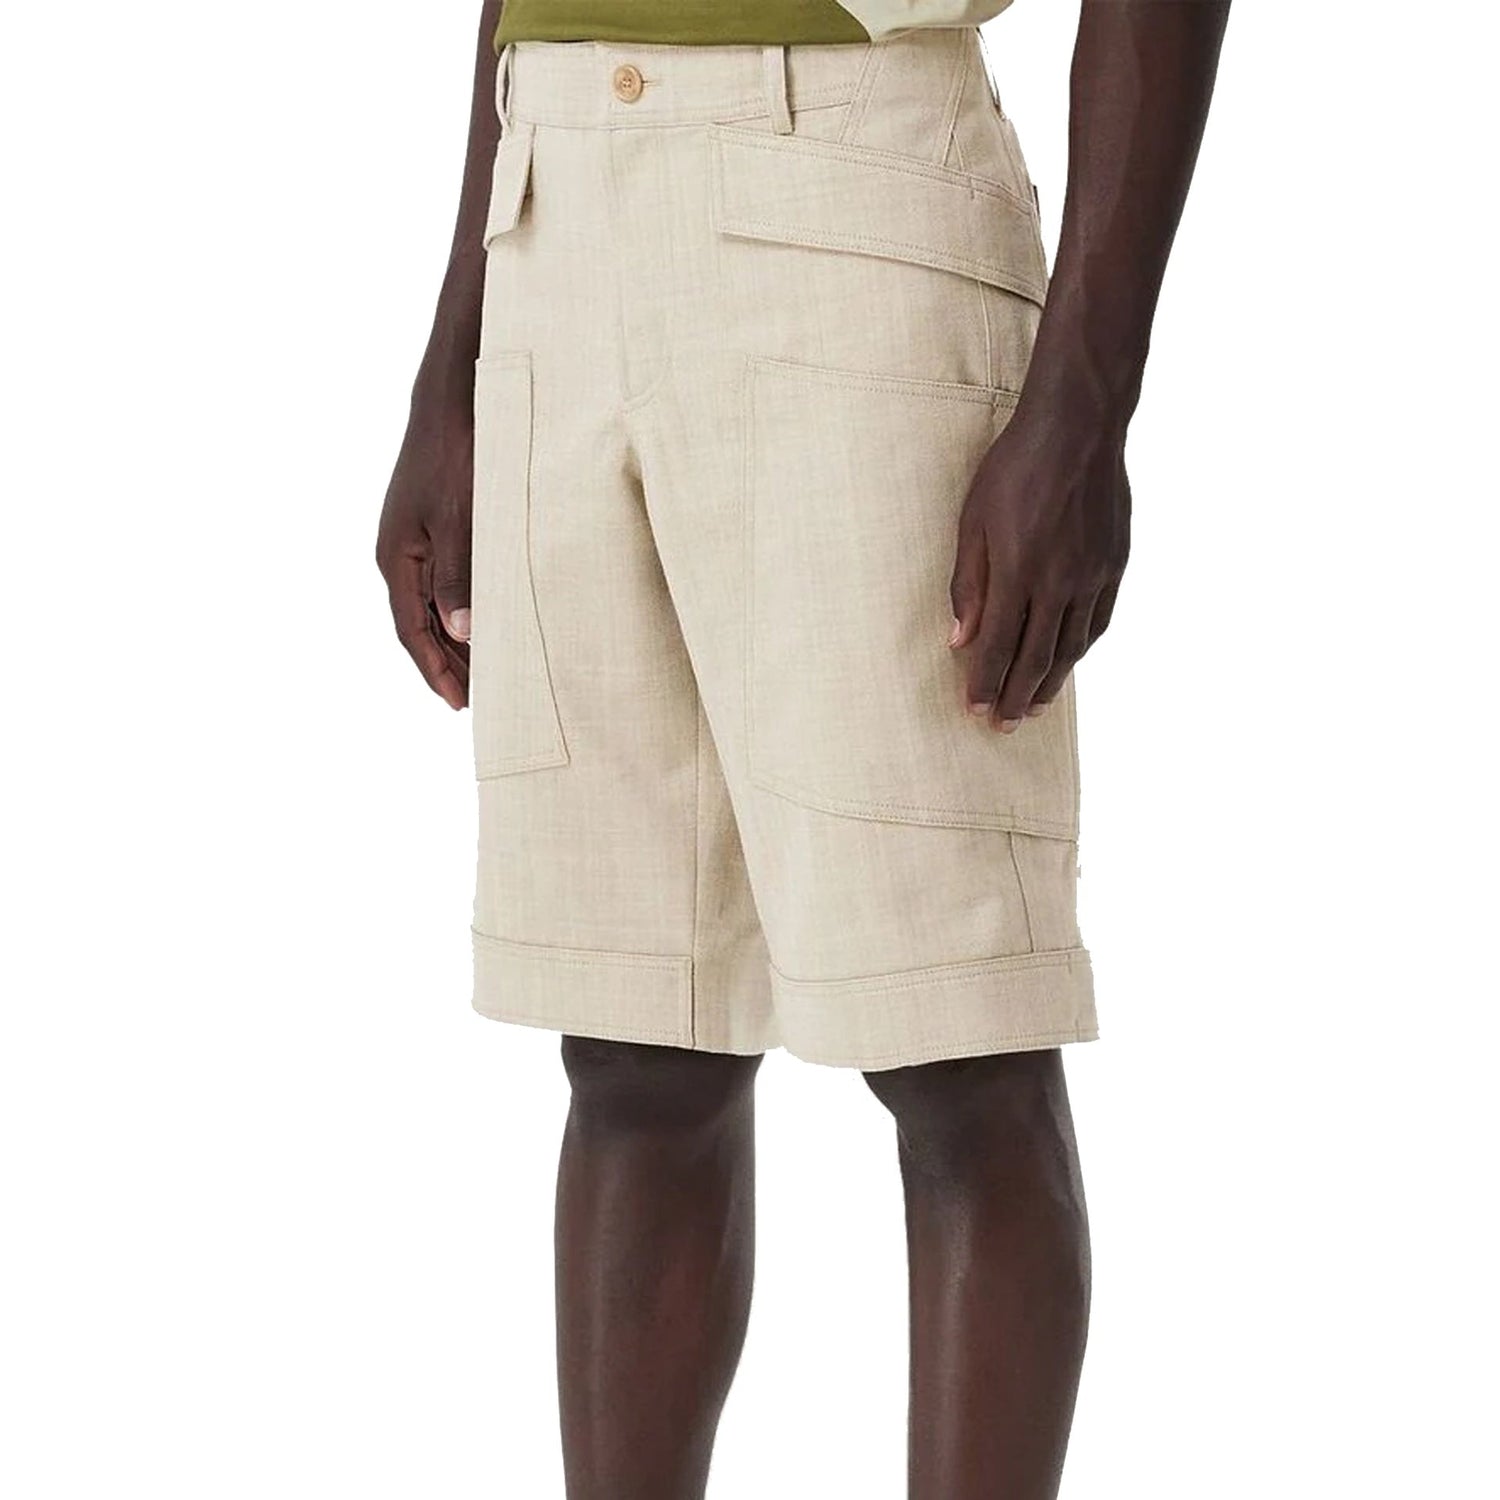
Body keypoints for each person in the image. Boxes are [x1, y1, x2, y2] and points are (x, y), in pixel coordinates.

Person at [376, 2, 1229, 1495]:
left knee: (957, 1043)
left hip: (852, 191)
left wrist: (1085, 405)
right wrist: (453, 357)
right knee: (634, 1043)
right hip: (553, 212)